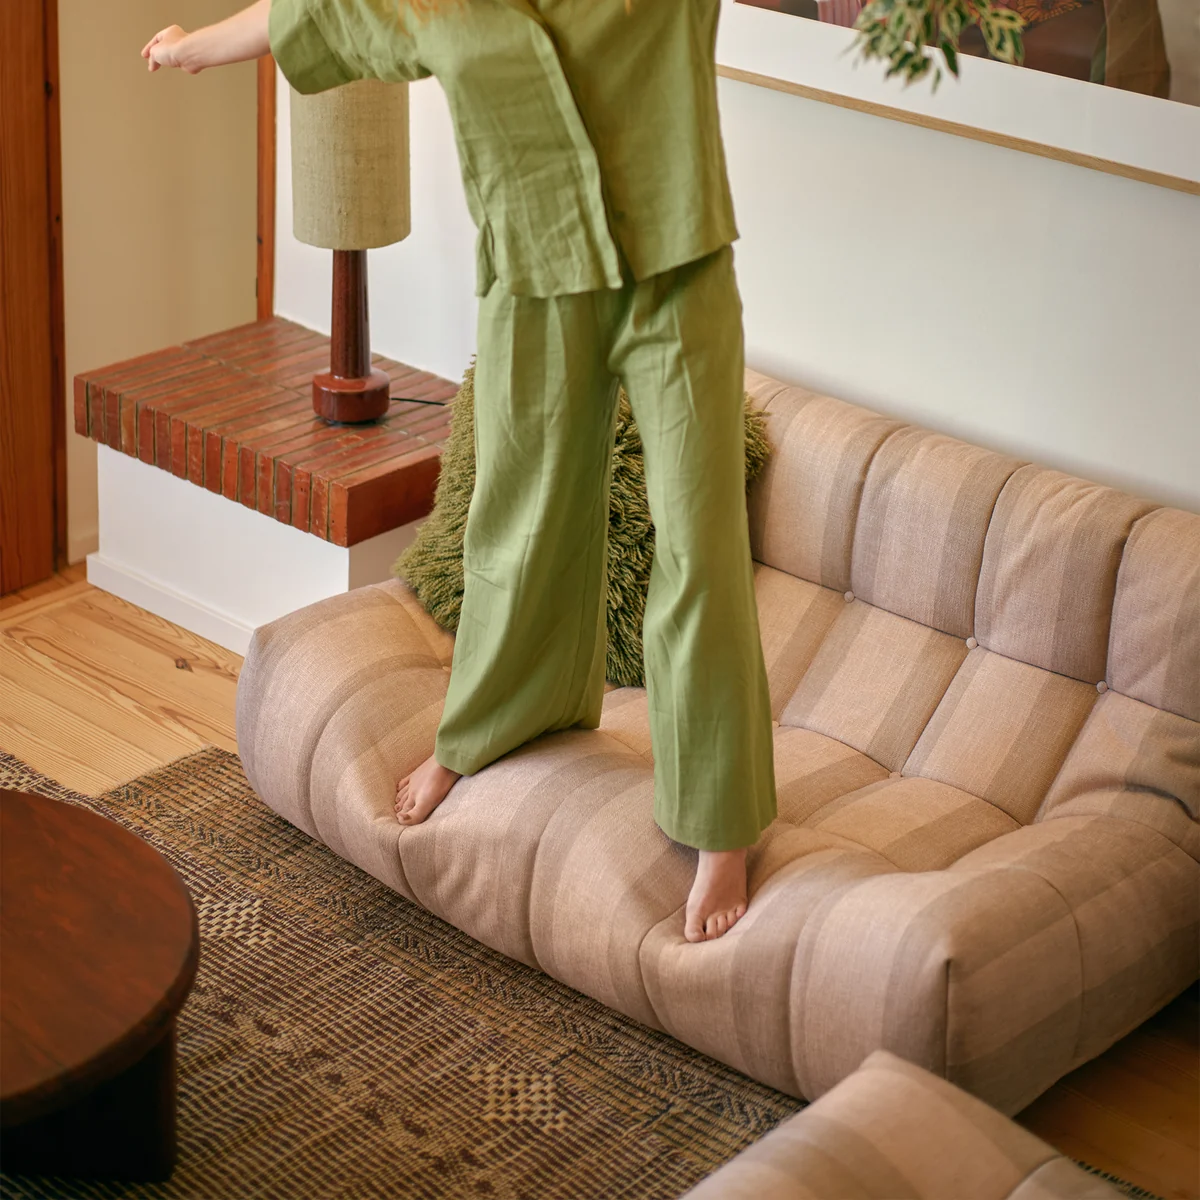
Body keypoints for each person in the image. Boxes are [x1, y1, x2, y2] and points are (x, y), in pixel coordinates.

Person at [144, 0, 778, 943]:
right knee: (519, 517)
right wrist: (194, 48)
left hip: (676, 269)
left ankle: (721, 821)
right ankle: (495, 723)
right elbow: (321, 11)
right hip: (532, 275)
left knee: (701, 538)